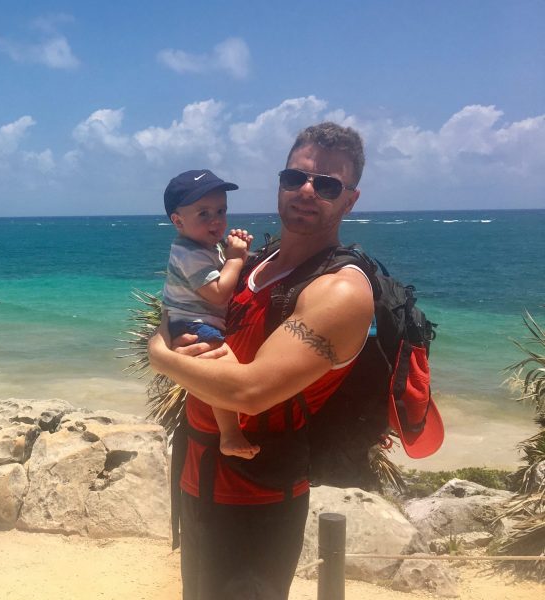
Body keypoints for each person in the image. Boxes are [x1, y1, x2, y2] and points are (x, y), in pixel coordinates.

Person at [148, 122, 374, 600]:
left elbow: (248, 393)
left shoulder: (339, 290)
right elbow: (186, 309)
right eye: (295, 178)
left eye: (327, 185)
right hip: (198, 472)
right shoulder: (256, 264)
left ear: (350, 200)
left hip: (257, 493)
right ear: (280, 183)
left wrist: (160, 355)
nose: (307, 190)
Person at [161, 169, 258, 459]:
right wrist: (235, 259)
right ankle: (230, 434)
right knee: (226, 371)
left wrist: (238, 252)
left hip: (194, 322)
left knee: (225, 372)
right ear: (178, 221)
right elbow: (218, 293)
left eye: (221, 211)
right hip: (192, 325)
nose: (216, 220)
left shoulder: (204, 246)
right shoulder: (188, 253)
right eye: (203, 213)